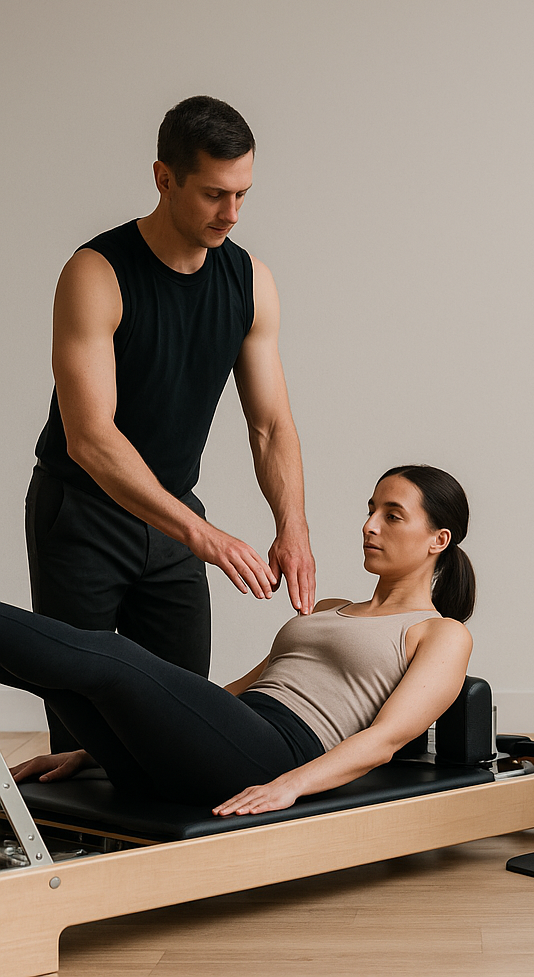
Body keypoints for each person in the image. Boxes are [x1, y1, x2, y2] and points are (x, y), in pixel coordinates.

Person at [27, 95, 316, 752]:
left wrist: (291, 526)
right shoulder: (96, 274)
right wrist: (204, 536)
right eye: (215, 194)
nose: (232, 214)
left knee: (184, 720)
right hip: (82, 515)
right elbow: (91, 438)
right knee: (84, 739)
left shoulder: (249, 281)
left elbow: (270, 424)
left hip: (173, 520)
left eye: (243, 194)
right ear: (164, 178)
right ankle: (81, 851)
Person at [5, 466, 473, 816]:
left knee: (113, 657)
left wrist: (290, 786)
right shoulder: (330, 604)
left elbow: (383, 740)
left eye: (393, 516)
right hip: (228, 737)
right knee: (60, 679)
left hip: (277, 753)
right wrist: (91, 751)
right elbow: (242, 689)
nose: (370, 525)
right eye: (371, 510)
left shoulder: (441, 633)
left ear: (438, 540)